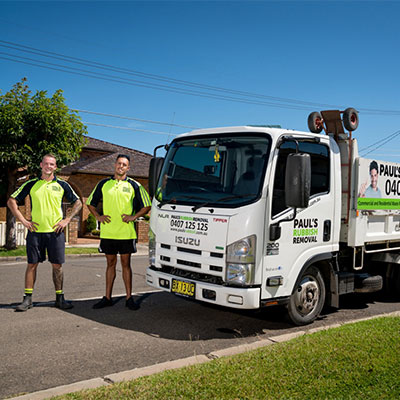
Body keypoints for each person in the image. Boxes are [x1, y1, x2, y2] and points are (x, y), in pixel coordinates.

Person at [7, 154, 82, 312]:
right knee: (32, 265)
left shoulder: (62, 184)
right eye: (46, 164)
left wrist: (67, 220)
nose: (49, 166)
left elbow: (78, 202)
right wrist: (23, 221)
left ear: (55, 167)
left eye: (52, 164)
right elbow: (11, 201)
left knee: (57, 266)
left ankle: (60, 298)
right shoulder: (32, 183)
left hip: (56, 233)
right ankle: (27, 299)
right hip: (36, 233)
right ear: (41, 165)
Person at [86, 154, 151, 310]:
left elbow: (147, 206)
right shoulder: (103, 184)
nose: (121, 166)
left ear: (128, 168)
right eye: (119, 163)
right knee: (110, 264)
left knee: (125, 264)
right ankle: (107, 297)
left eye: (124, 164)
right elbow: (90, 203)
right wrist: (98, 217)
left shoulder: (135, 185)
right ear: (115, 165)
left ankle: (129, 298)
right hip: (108, 233)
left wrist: (134, 216)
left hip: (126, 234)